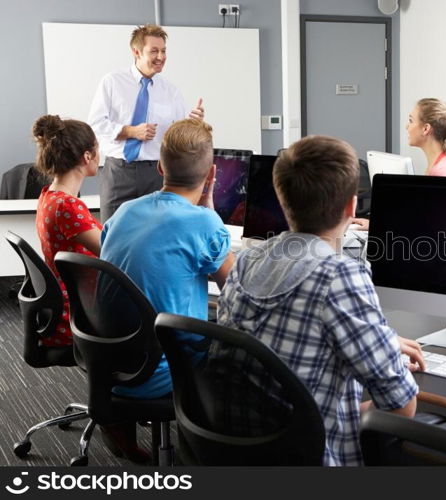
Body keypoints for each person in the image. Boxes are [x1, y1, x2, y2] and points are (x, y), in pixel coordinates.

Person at [216, 135, 425, 466]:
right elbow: (402, 405)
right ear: (351, 208)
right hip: (310, 456)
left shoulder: (245, 262)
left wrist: (380, 340)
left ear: (283, 201)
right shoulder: (340, 276)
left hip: (238, 450)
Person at [99, 118, 234, 460]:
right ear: (211, 173)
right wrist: (211, 218)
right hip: (164, 370)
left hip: (108, 363)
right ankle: (210, 456)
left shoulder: (123, 212)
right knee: (248, 346)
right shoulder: (204, 223)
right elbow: (237, 289)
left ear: (160, 167)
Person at [88, 24, 205, 222]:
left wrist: (193, 124)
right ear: (136, 52)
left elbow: (177, 137)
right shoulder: (112, 82)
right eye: (154, 51)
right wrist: (130, 131)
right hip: (119, 173)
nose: (161, 56)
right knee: (112, 237)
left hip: (156, 174)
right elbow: (95, 124)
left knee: (155, 236)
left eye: (164, 51)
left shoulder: (171, 91)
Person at [32, 115, 102, 348]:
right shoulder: (67, 206)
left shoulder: (49, 196)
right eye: (97, 149)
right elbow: (112, 251)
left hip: (72, 304)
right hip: (80, 315)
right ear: (87, 156)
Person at [351, 97, 446, 230]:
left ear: (426, 129)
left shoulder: (442, 171)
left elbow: (433, 227)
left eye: (411, 120)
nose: (407, 126)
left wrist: (379, 226)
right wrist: (376, 224)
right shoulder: (437, 165)